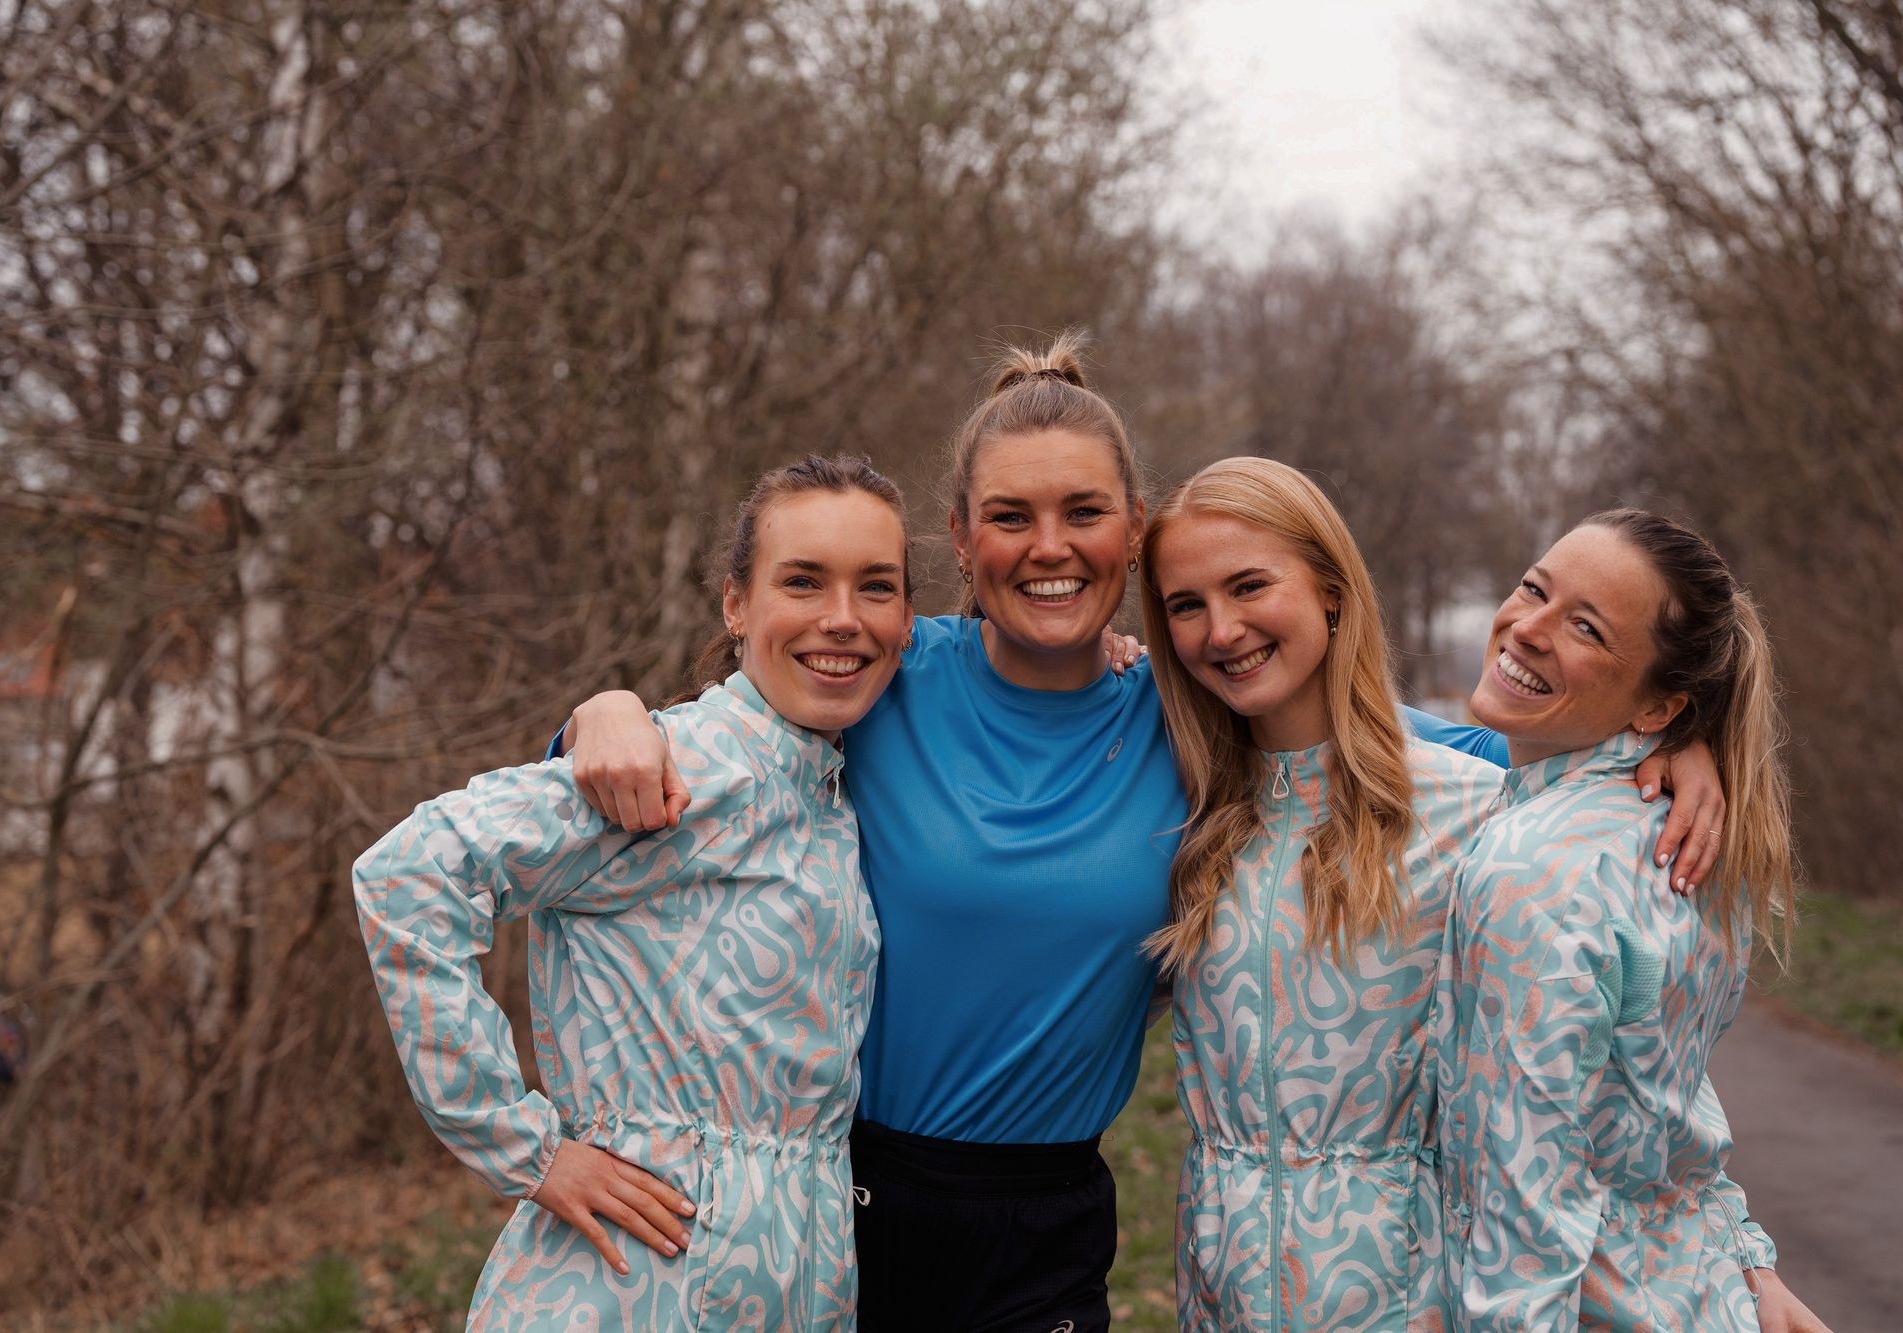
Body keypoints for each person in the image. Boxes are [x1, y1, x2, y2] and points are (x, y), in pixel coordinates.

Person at [554, 337, 1731, 1330]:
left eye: (1083, 512)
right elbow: (698, 755)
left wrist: (1681, 739)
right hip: (844, 1189)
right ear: (959, 539)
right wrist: (601, 715)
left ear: (1129, 530)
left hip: (1046, 1223)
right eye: (1009, 517)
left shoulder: (1194, 720)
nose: (1047, 545)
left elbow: (1450, 747)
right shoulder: (886, 681)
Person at [352, 455, 913, 1331]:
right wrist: (527, 1148)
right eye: (803, 580)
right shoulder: (675, 766)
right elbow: (409, 874)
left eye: (875, 585)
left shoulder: (833, 788)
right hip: (626, 1291)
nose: (842, 616)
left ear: (908, 617)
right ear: (736, 604)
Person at [1438, 511, 1828, 1332]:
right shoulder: (1695, 841)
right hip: (1704, 1296)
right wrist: (1744, 1254)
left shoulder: (1533, 865)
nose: (1528, 627)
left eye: (1586, 627)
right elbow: (1667, 1114)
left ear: (1658, 707)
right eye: (1534, 589)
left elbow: (1527, 1194)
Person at [1139, 457, 1504, 1330]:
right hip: (1219, 1296)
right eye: (1186, 605)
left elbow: (1599, 1077)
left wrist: (1682, 745)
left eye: (1249, 585)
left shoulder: (1476, 811)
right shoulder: (1178, 812)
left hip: (1411, 1299)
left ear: (1332, 592)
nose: (1221, 630)